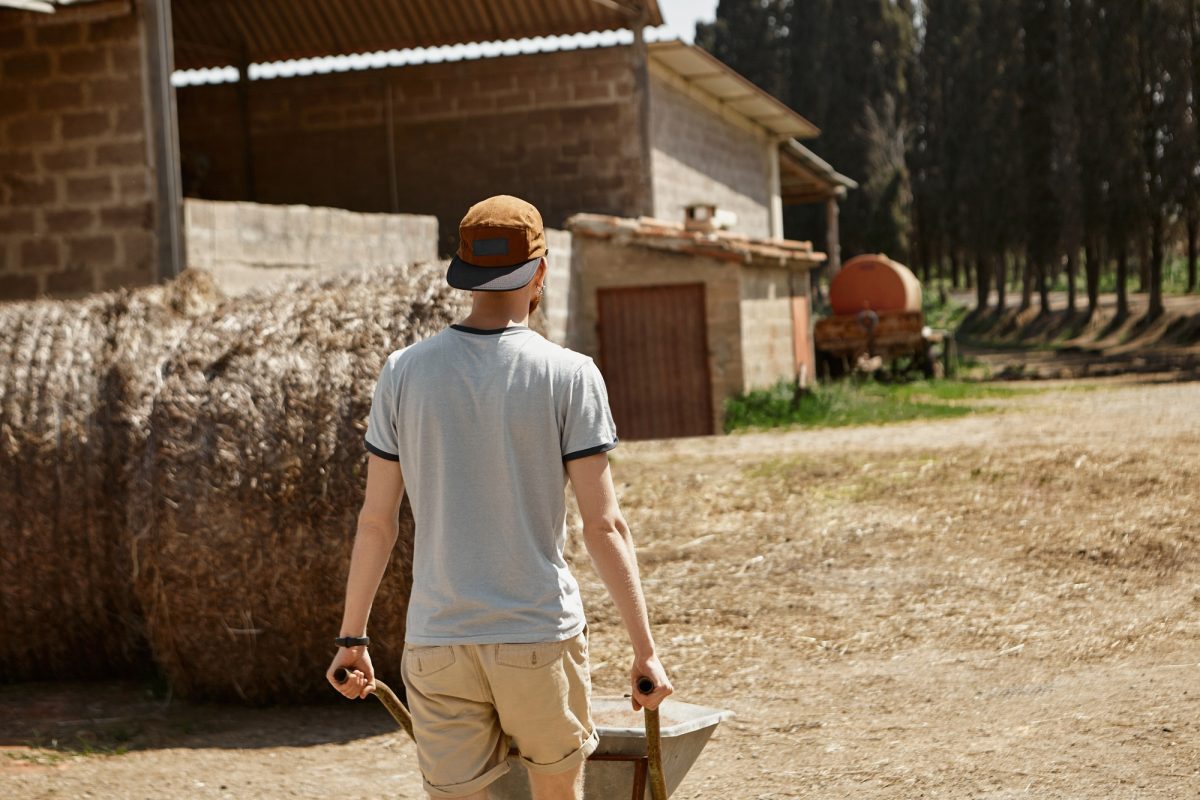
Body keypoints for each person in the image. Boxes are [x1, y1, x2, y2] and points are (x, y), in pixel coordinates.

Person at [326, 194, 673, 800]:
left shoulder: (403, 372)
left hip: (437, 643)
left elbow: (376, 522)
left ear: (465, 274)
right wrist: (645, 652)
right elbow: (604, 526)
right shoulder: (570, 374)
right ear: (539, 272)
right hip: (538, 636)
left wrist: (352, 638)